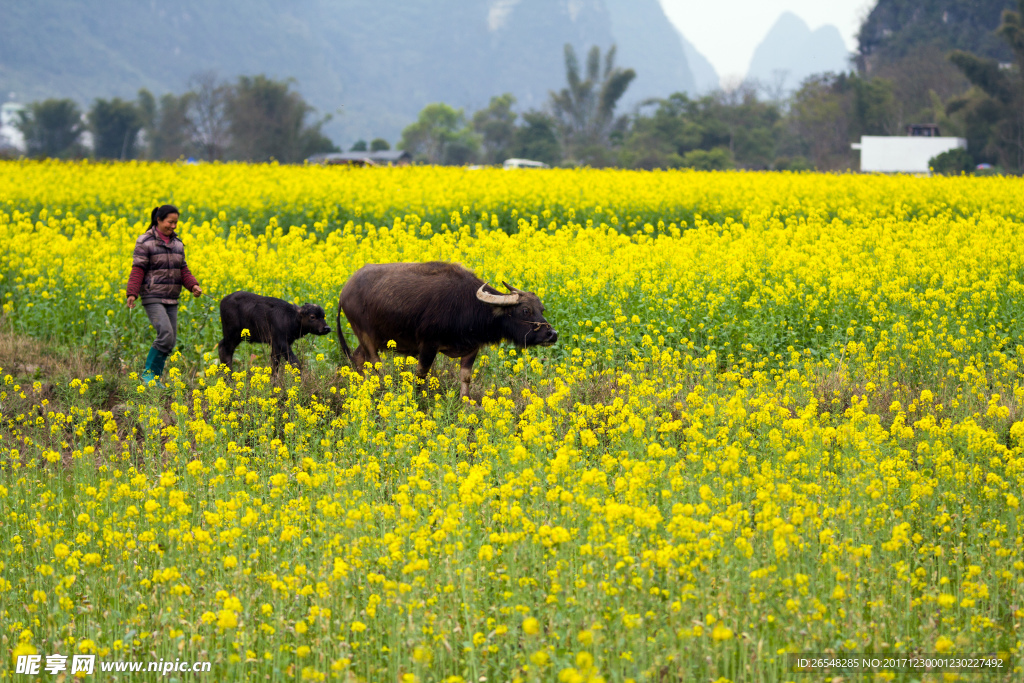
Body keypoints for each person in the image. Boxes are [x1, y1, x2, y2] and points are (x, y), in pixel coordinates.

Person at [126, 204, 203, 385]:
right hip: (152, 295)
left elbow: (183, 269)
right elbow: (138, 269)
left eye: (176, 223)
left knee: (170, 341)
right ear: (159, 220)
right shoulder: (145, 241)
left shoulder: (177, 243)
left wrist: (193, 285)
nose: (174, 226)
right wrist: (132, 293)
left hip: (171, 297)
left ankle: (155, 378)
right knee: (165, 334)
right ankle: (148, 375)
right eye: (170, 222)